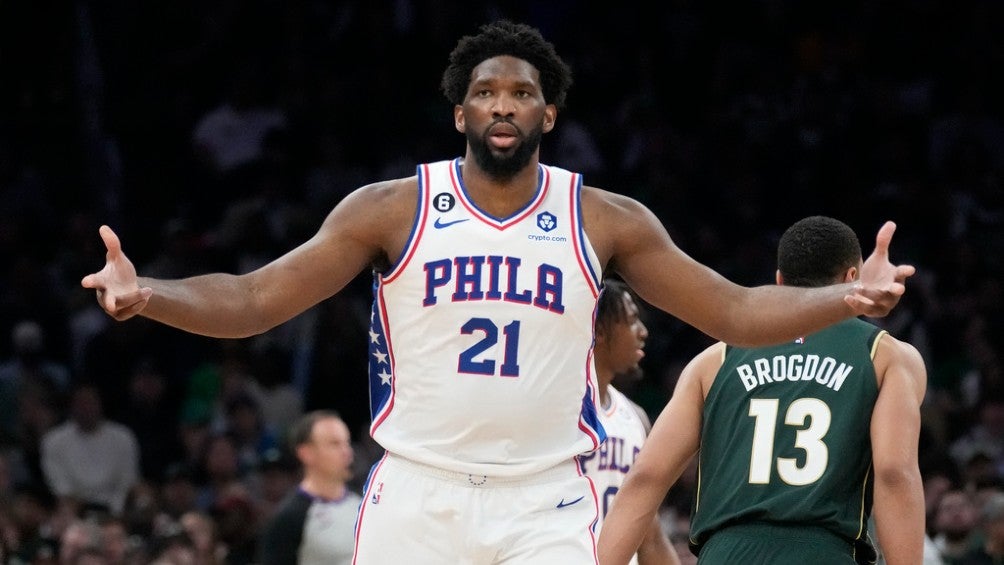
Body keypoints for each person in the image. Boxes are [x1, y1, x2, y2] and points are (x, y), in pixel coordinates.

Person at [82, 20, 914, 563]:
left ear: (548, 114)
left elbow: (733, 310)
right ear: (460, 114)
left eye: (521, 93)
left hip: (546, 498)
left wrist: (847, 300)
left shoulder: (604, 218)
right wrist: (148, 292)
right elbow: (256, 299)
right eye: (485, 92)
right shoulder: (392, 208)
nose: (502, 105)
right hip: (419, 489)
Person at [597, 216, 927, 565]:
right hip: (822, 551)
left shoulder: (713, 361)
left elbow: (646, 478)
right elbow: (894, 473)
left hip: (725, 553)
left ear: (779, 281)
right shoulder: (887, 355)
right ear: (852, 278)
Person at [582, 278, 679, 565]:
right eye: (632, 319)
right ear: (600, 330)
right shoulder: (559, 410)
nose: (643, 332)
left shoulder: (635, 417)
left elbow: (650, 533)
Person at [258, 410, 359, 565]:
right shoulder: (289, 518)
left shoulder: (363, 504)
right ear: (306, 453)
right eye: (334, 444)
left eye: (347, 443)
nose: (347, 452)